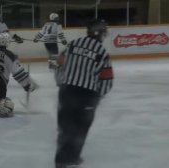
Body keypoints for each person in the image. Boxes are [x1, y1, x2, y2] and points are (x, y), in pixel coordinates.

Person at [55, 19, 114, 168]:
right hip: (86, 96)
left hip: (66, 92)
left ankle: (61, 160)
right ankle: (71, 159)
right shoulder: (101, 52)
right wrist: (97, 96)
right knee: (80, 130)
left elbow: (59, 66)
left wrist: (62, 84)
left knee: (66, 127)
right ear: (100, 33)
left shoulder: (72, 44)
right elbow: (107, 80)